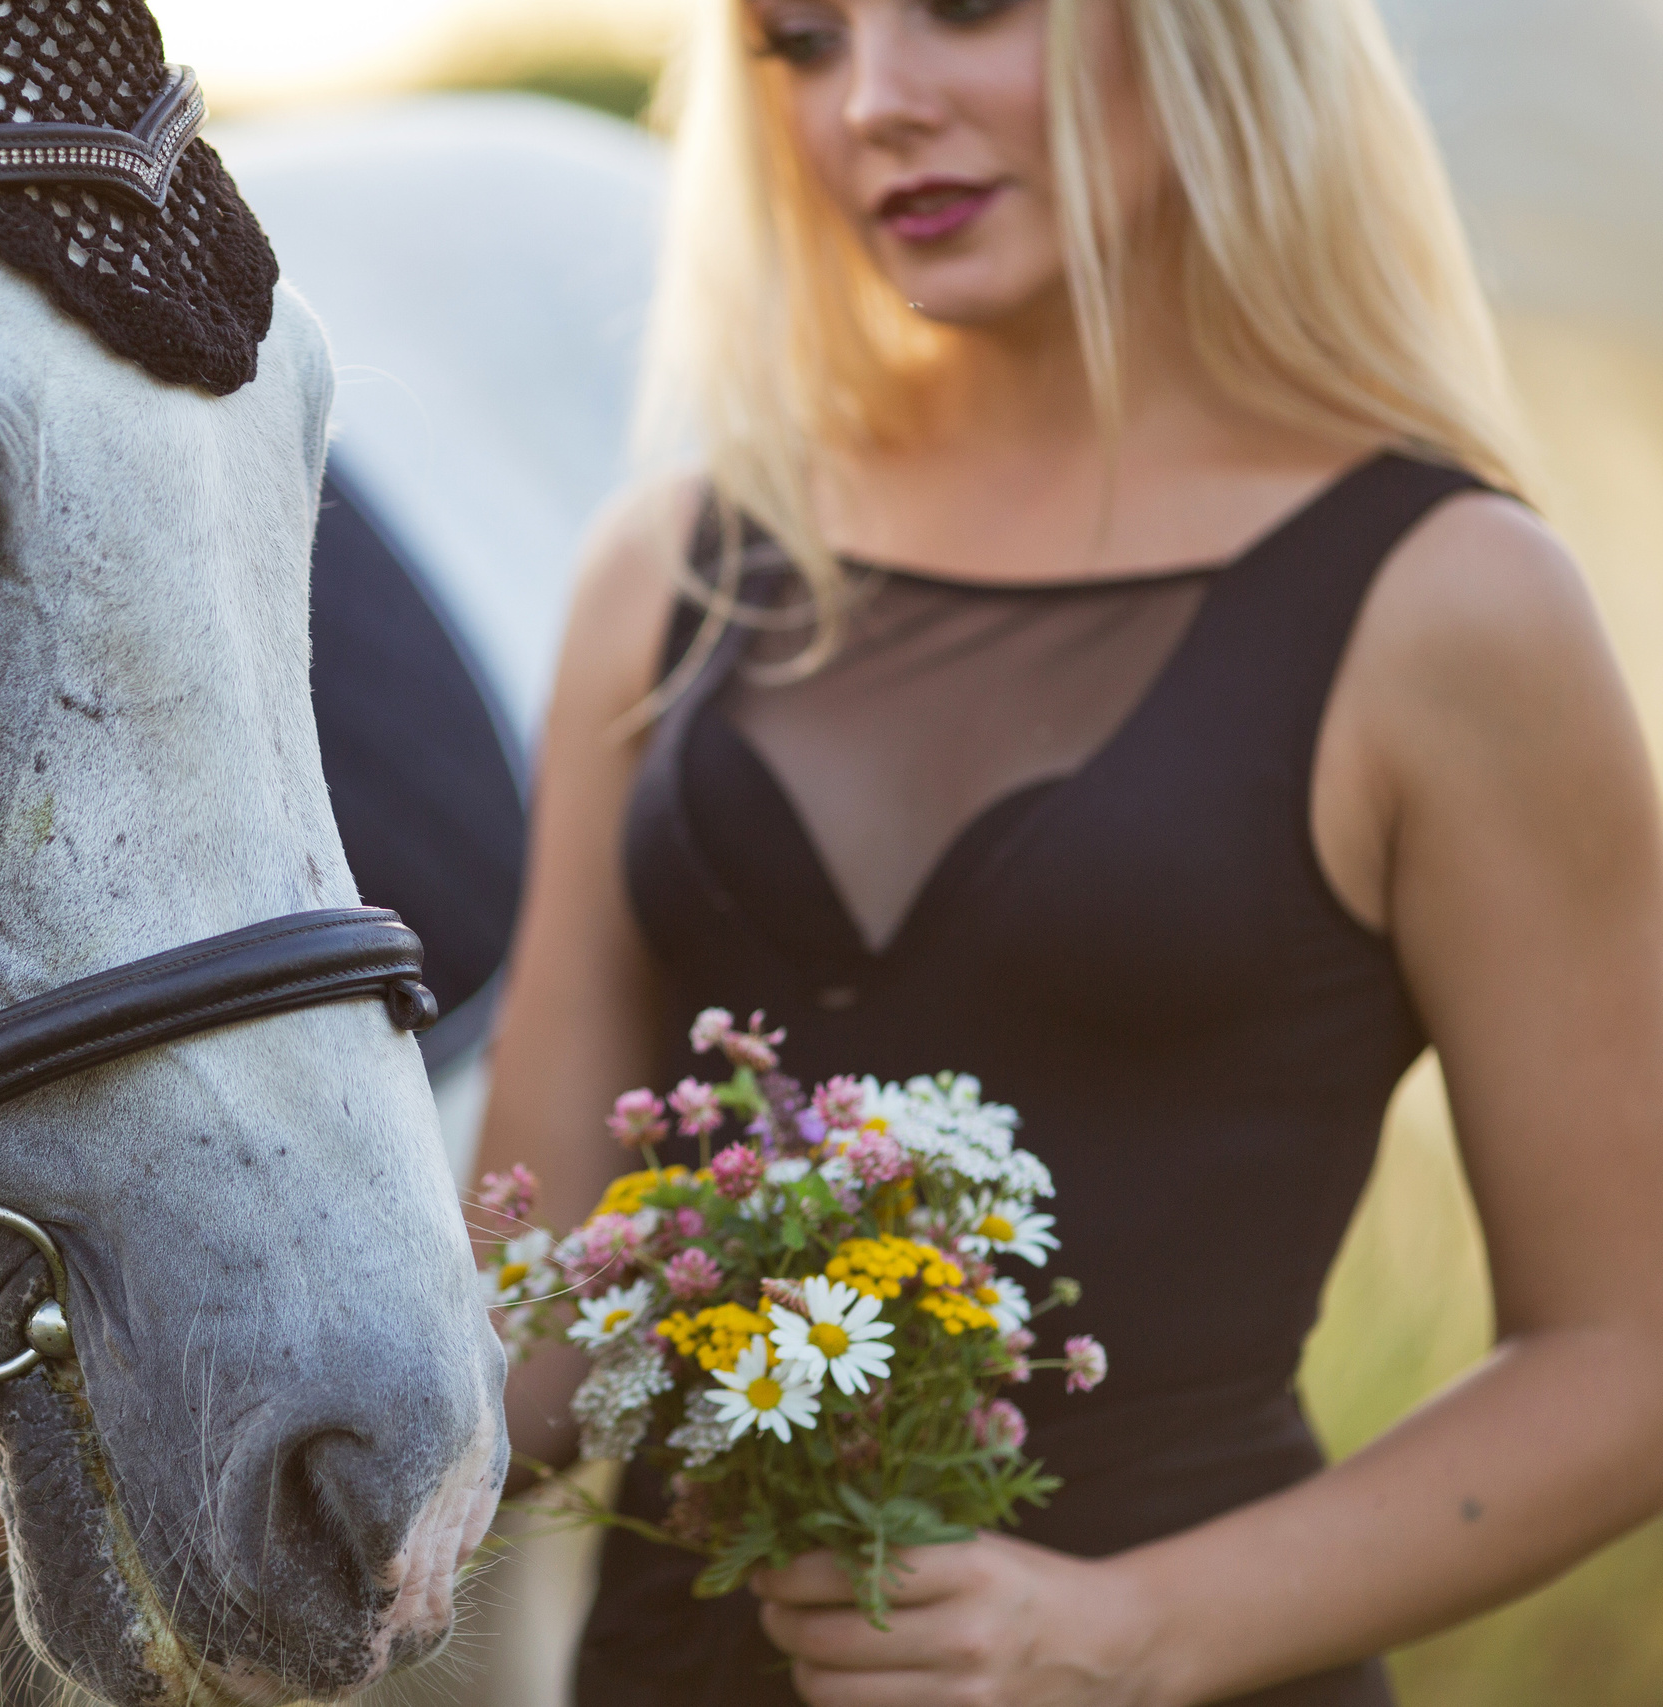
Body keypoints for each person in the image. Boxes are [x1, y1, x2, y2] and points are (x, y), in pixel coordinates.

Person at [472, 2, 1663, 1704]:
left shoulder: (1451, 599)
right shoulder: (677, 574)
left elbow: (1625, 1358)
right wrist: (100, 1461)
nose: (874, 103)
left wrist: (1124, 1637)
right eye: (802, 39)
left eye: (965, 9)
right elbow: (538, 1317)